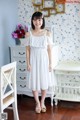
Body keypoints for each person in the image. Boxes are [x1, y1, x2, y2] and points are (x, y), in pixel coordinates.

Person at [25, 11, 53, 113]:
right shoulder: (28, 34)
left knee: (44, 81)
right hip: (33, 60)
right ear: (32, 21)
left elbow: (49, 50)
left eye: (40, 20)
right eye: (35, 20)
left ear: (42, 21)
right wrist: (28, 63)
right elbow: (27, 50)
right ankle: (37, 102)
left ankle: (42, 102)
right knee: (34, 81)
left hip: (44, 60)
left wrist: (50, 63)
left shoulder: (47, 33)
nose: (37, 22)